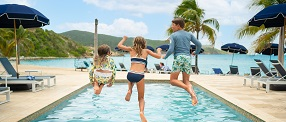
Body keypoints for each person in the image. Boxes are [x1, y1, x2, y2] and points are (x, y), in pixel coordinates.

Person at [118, 36, 162, 122]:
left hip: (130, 74)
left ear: (134, 42)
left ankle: (129, 90)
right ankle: (141, 112)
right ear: (144, 43)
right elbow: (158, 57)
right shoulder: (146, 51)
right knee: (141, 98)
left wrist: (124, 38)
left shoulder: (131, 49)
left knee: (131, 79)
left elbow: (119, 45)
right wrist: (159, 50)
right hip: (139, 75)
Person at [162, 17, 202, 106]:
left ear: (178, 25)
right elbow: (199, 44)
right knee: (186, 81)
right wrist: (196, 52)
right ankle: (193, 94)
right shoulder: (189, 34)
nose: (172, 27)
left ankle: (188, 90)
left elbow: (171, 49)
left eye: (173, 25)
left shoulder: (173, 35)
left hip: (179, 58)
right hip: (187, 58)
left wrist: (165, 57)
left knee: (173, 80)